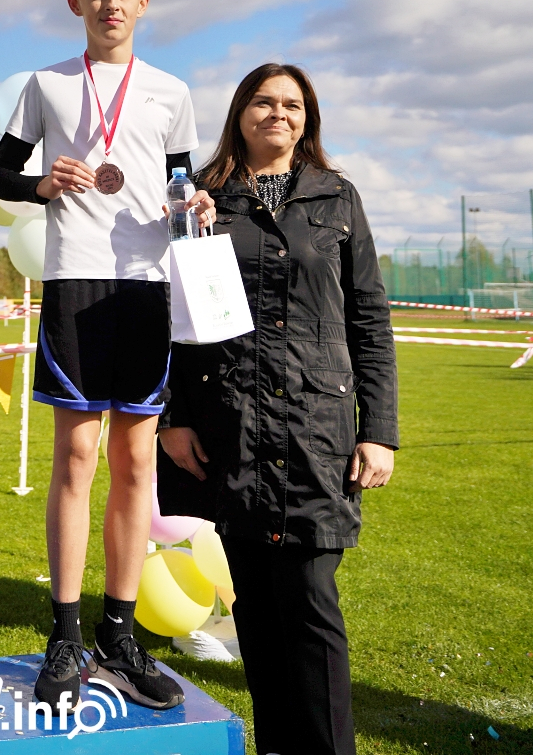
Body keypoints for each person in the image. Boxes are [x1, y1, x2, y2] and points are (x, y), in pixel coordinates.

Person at [0, 0, 214, 713]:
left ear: (143, 3)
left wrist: (195, 204)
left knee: (136, 463)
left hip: (147, 285)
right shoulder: (46, 84)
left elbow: (182, 183)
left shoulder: (171, 91)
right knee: (77, 456)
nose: (111, 3)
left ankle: (118, 637)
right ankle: (65, 636)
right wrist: (41, 183)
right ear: (75, 1)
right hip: (76, 279)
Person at [157, 62, 398, 755]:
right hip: (230, 423)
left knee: (312, 603)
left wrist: (379, 430)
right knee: (257, 610)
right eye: (264, 102)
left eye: (293, 104)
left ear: (307, 118)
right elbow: (172, 310)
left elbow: (369, 317)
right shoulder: (202, 198)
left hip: (317, 427)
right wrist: (173, 416)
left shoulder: (337, 197)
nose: (278, 114)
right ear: (240, 113)